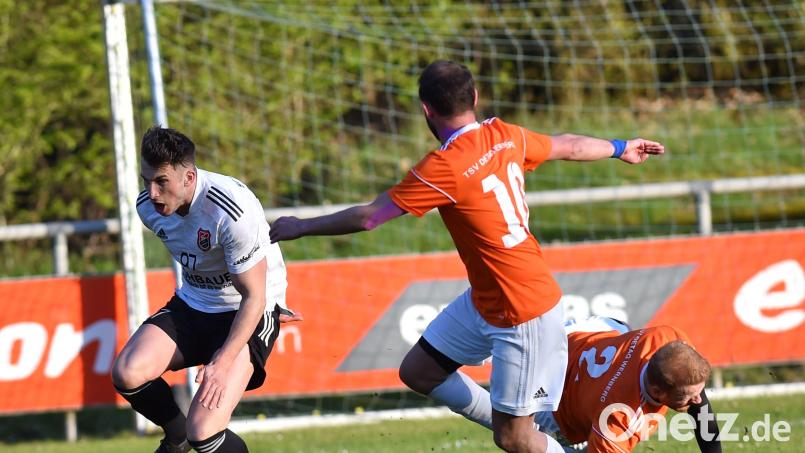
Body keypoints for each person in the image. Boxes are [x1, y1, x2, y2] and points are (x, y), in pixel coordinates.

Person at [269, 60, 665, 453]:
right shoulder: (504, 134)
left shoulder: (443, 166)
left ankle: (536, 434)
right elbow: (569, 145)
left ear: (426, 109)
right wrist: (620, 148)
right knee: (419, 371)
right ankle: (538, 425)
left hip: (521, 310)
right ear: (474, 97)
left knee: (512, 439)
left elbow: (371, 218)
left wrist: (300, 226)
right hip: (487, 299)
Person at [111, 126, 301, 453]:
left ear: (188, 177)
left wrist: (222, 362)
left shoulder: (230, 211)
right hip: (195, 303)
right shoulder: (149, 209)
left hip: (249, 310)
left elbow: (254, 295)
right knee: (128, 372)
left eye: (161, 182)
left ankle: (191, 434)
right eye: (146, 181)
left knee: (206, 432)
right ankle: (176, 434)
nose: (152, 193)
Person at [532, 316, 722, 452]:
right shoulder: (618, 417)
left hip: (581, 334)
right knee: (518, 437)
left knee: (620, 326)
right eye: (687, 396)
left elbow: (701, 410)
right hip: (550, 387)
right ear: (657, 391)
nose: (698, 399)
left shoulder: (670, 340)